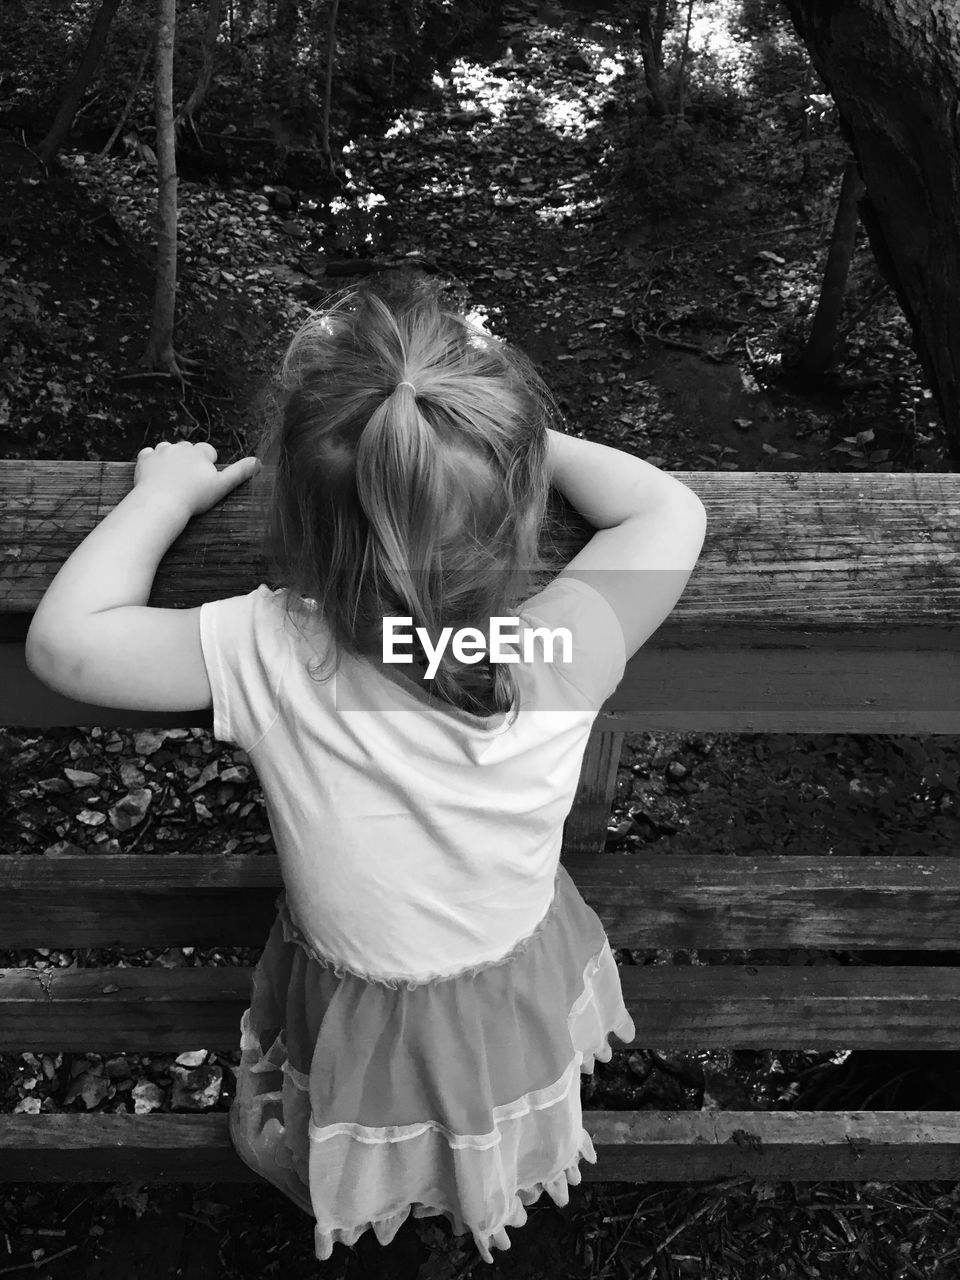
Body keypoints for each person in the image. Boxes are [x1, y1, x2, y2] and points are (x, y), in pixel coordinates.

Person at [24, 282, 707, 1267]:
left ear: (293, 506)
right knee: (481, 1104)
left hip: (362, 994)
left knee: (361, 1107)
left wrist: (161, 497)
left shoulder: (272, 647)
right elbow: (665, 506)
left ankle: (371, 1201)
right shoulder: (565, 640)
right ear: (517, 507)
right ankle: (475, 1199)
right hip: (503, 971)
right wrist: (489, 444)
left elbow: (65, 645)